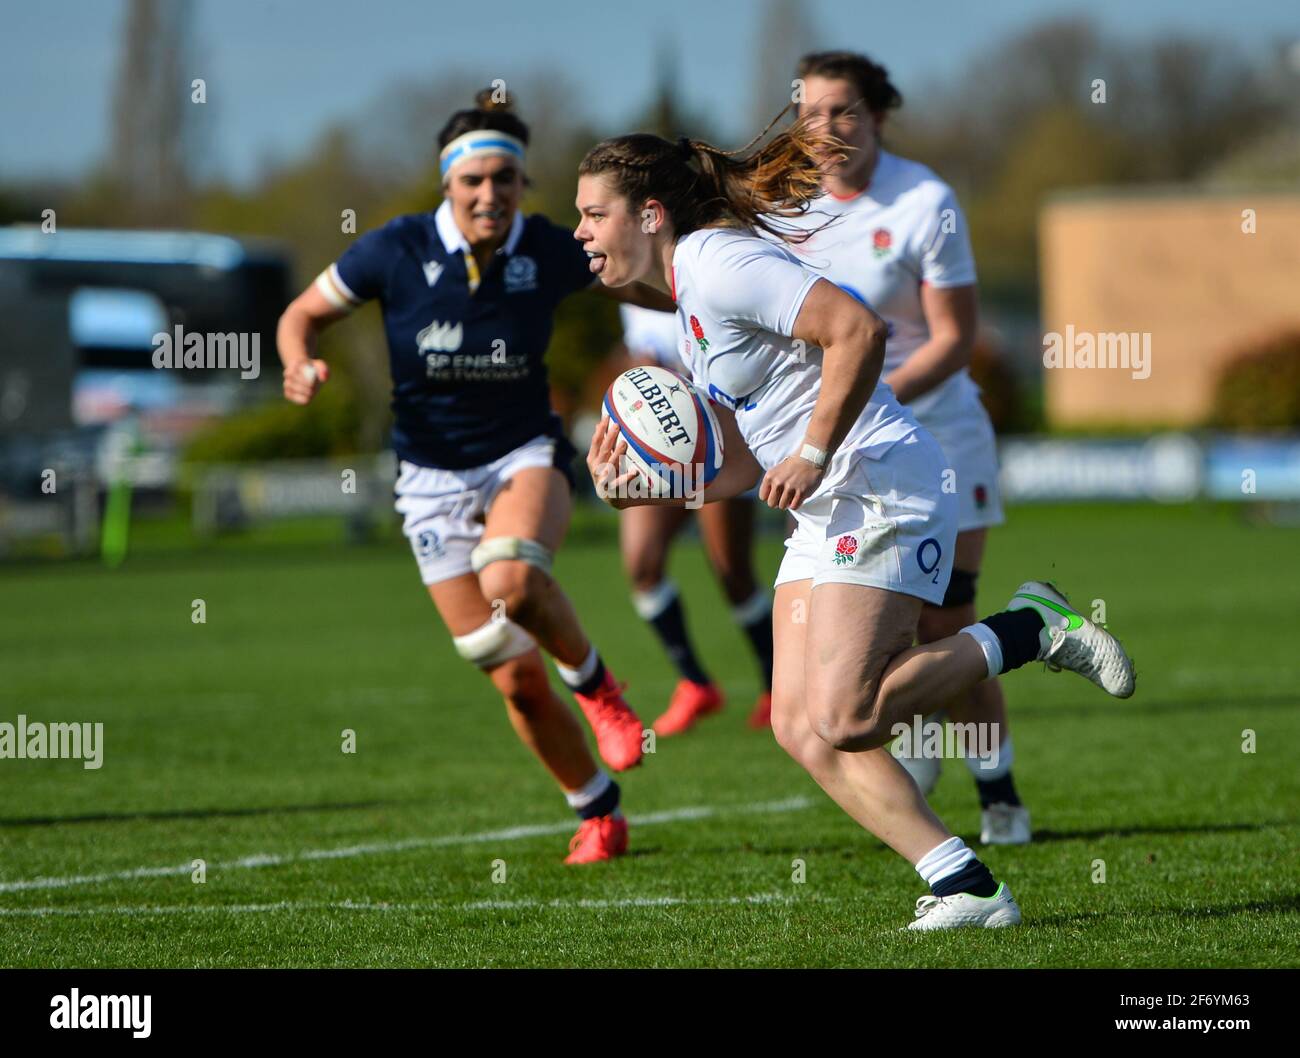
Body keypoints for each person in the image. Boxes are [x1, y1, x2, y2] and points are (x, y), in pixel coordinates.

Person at [574, 116, 1135, 927]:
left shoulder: (716, 260)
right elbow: (747, 463)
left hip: (878, 480)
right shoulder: (689, 296)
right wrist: (654, 492)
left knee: (847, 714)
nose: (583, 231)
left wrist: (810, 447)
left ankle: (1032, 628)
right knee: (802, 729)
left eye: (594, 213)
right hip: (828, 500)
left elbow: (857, 329)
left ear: (650, 213)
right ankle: (966, 885)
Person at [276, 89, 675, 865]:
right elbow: (301, 314)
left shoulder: (552, 250)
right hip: (428, 478)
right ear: (448, 185)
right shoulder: (391, 249)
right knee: (511, 675)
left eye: (504, 179)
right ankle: (597, 809)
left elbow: (654, 275)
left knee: (513, 580)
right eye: (473, 181)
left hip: (525, 453)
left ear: (523, 185)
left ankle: (601, 691)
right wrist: (299, 363)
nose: (489, 194)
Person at [778, 50, 1027, 844]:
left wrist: (862, 399)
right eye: (810, 112)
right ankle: (920, 778)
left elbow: (953, 339)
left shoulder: (925, 201)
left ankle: (1000, 794)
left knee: (947, 616)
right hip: (846, 447)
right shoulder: (786, 211)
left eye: (843, 110)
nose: (826, 128)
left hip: (940, 435)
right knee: (890, 632)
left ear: (878, 113)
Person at [614, 304, 775, 734]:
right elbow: (639, 358)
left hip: (716, 435)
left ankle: (775, 684)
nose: (589, 236)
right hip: (658, 444)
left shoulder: (694, 263)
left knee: (731, 572)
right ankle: (695, 682)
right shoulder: (624, 280)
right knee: (641, 563)